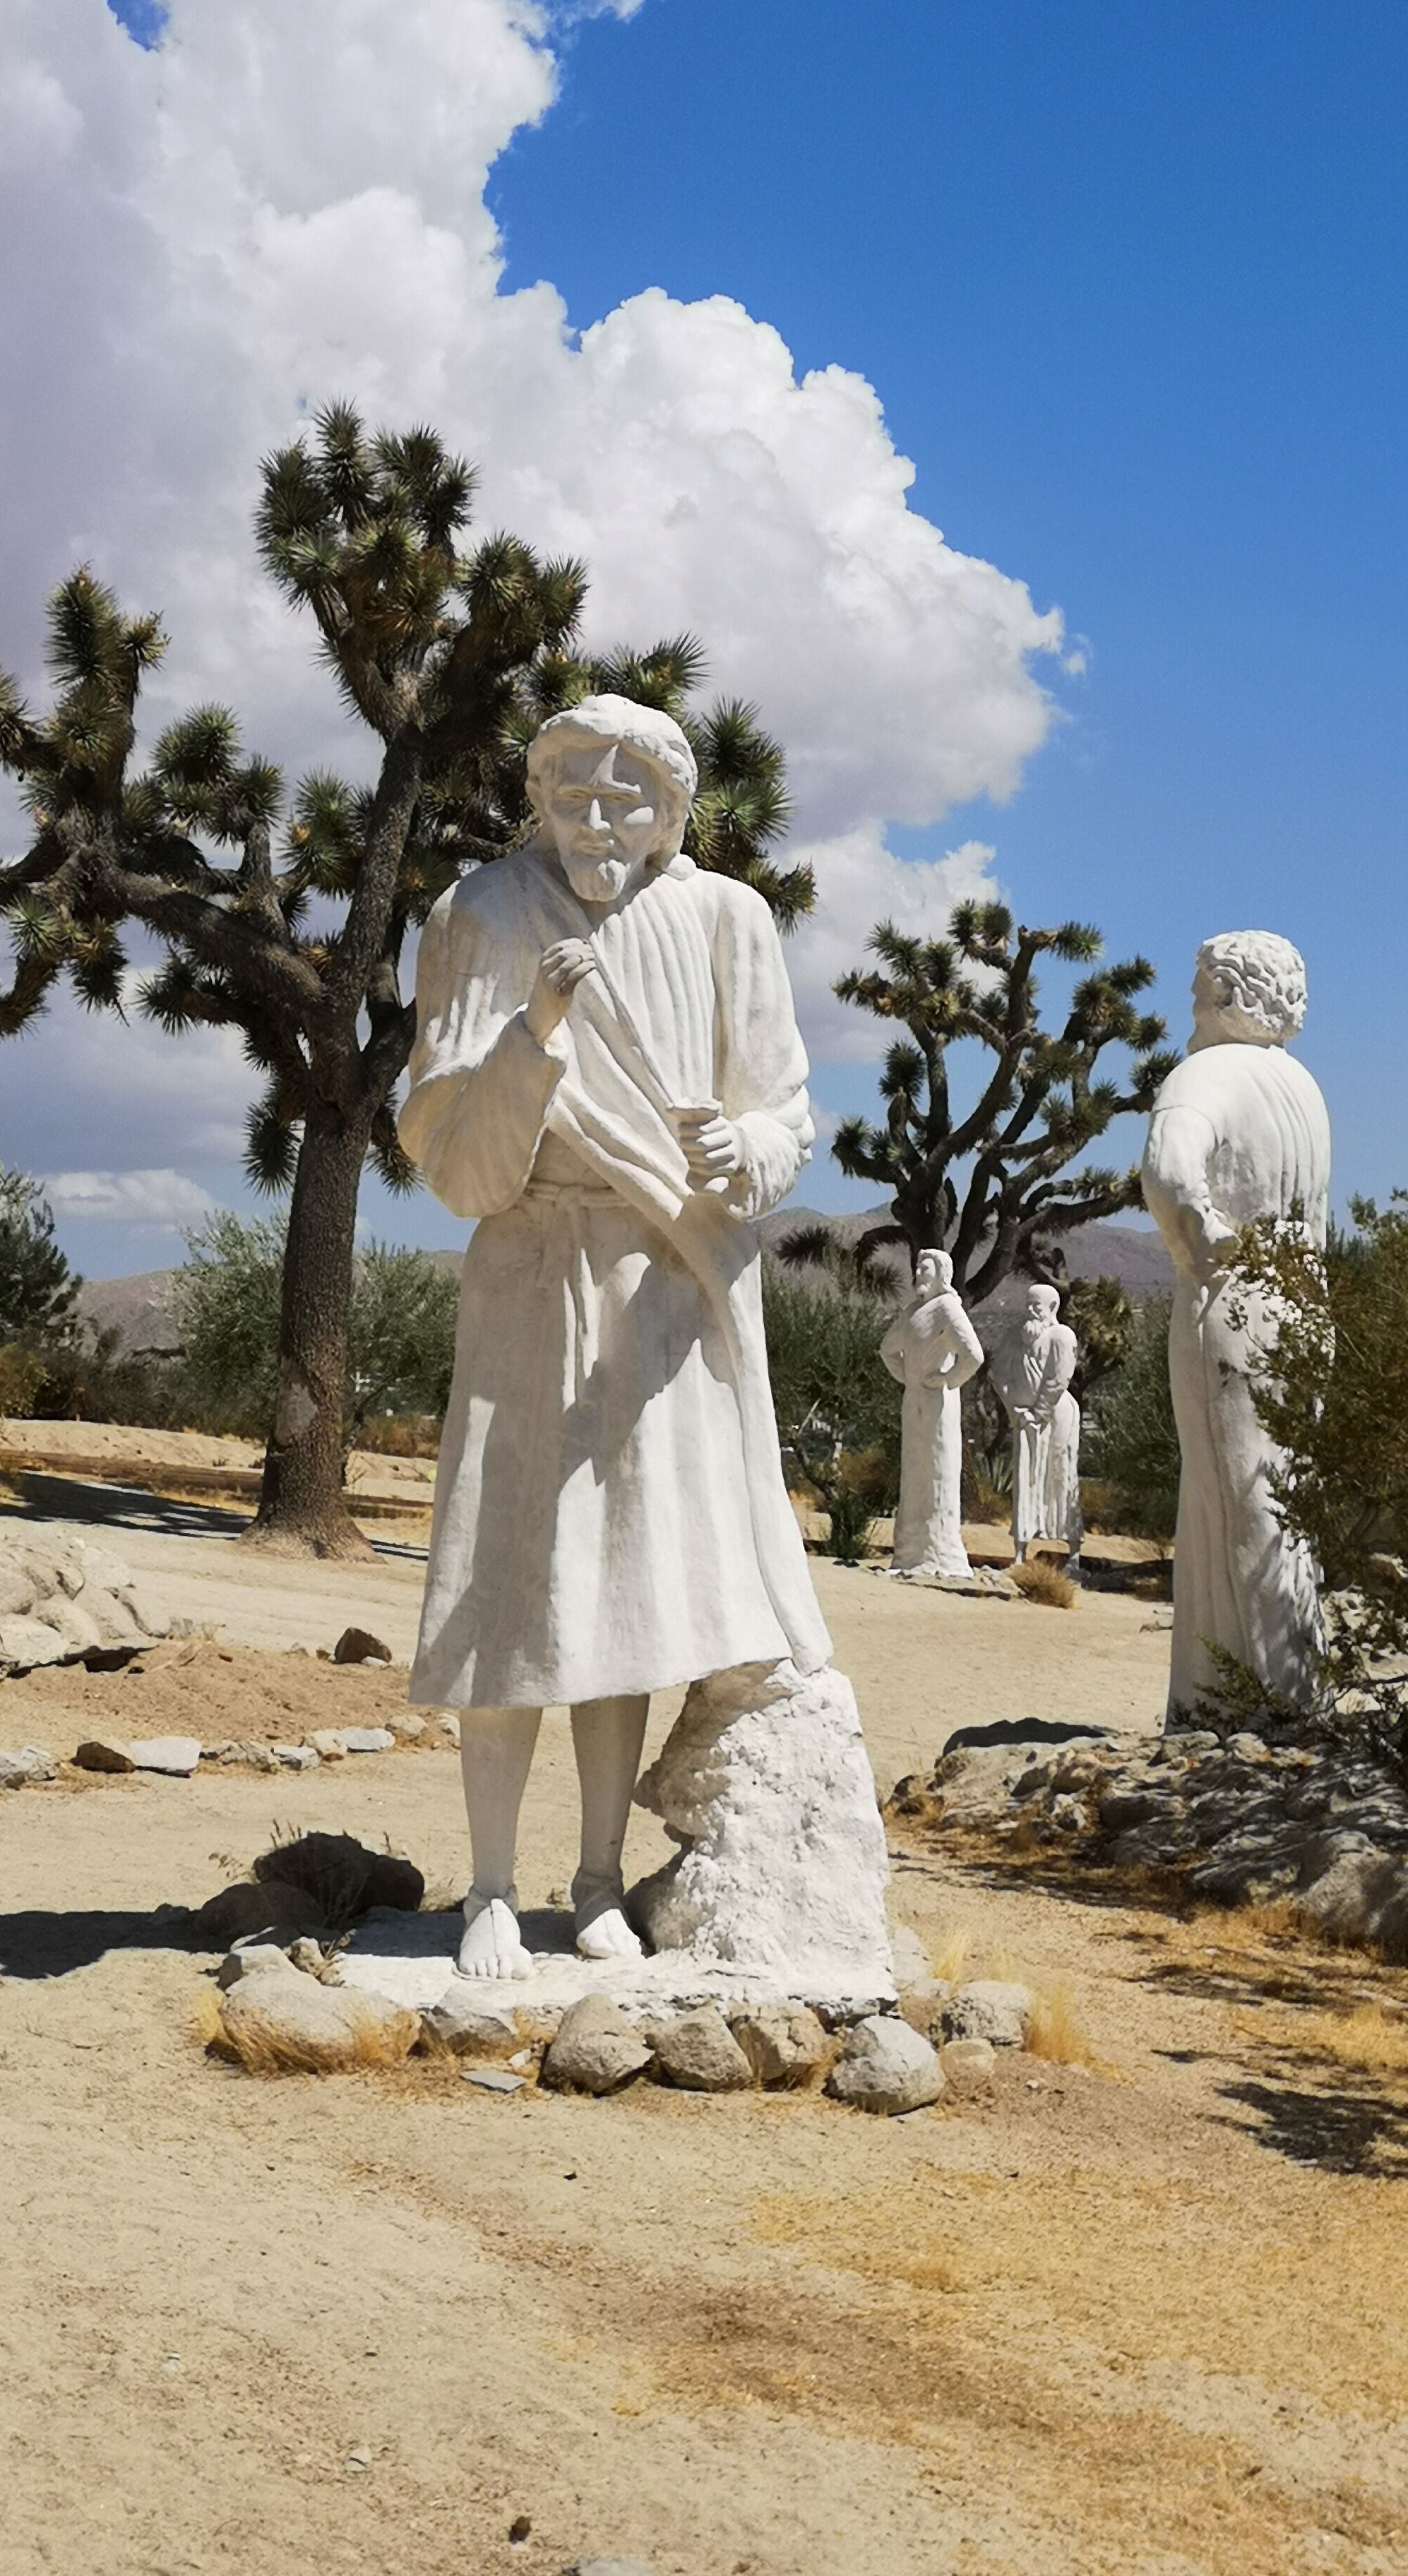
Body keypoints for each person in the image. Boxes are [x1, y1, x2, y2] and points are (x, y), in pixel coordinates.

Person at [399, 693, 830, 1978]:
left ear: (672, 811)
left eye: (626, 797)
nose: (598, 818)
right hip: (532, 1267)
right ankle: (485, 1885)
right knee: (507, 1586)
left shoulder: (722, 918)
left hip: (666, 1285)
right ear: (535, 796)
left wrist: (742, 1147)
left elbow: (786, 1106)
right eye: (573, 793)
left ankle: (592, 1881)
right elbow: (452, 1155)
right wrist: (533, 1035)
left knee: (621, 1592)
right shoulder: (483, 912)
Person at [1141, 930, 1330, 1719]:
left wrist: (1200, 1235)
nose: (1191, 1003)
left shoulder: (1206, 1072)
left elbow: (1167, 1165)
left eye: (1199, 988)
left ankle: (1252, 1704)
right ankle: (1280, 1692)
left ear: (1227, 994)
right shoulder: (1305, 1090)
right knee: (1289, 1504)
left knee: (1236, 1498)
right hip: (1307, 1313)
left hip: (1235, 1306)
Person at [878, 1252, 984, 1579]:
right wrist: (908, 1378)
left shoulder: (947, 1309)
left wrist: (948, 1380)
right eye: (918, 1266)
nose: (918, 1271)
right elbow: (887, 1349)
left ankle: (940, 1552)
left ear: (941, 1273)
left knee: (938, 1472)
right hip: (914, 1400)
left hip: (939, 1402)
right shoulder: (912, 1311)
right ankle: (910, 1553)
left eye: (925, 1267)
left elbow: (974, 1356)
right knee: (914, 1474)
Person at [990, 1282, 1080, 1563]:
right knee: (1025, 1478)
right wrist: (1015, 1411)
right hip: (1023, 1420)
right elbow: (998, 1374)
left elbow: (1059, 1378)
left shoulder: (1061, 1336)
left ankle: (1073, 1552)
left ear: (1052, 1308)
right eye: (1027, 1304)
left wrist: (1038, 1413)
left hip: (1055, 1416)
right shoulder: (1013, 1338)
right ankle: (1020, 1551)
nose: (1029, 1310)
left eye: (1036, 1306)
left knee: (1061, 1475)